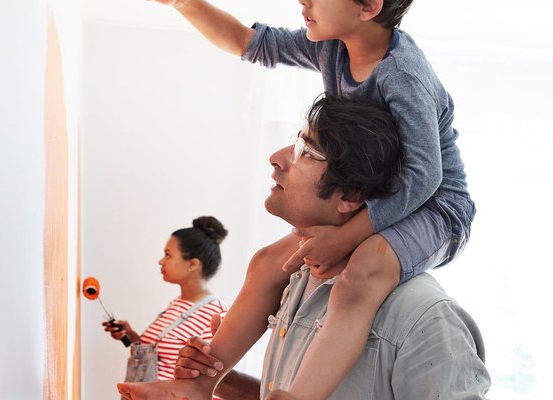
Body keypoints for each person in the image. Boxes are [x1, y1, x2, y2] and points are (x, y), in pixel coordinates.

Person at [141, 0, 476, 397]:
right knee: (268, 263)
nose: (303, 1)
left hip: (435, 206)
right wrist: (184, 3)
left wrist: (347, 236)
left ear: (368, 6)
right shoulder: (330, 47)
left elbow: (425, 177)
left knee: (362, 273)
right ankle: (199, 384)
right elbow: (245, 41)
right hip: (380, 199)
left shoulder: (404, 76)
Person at [102, 216, 231, 383]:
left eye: (168, 255)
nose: (161, 261)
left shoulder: (217, 314)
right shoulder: (176, 306)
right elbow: (164, 363)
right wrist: (134, 339)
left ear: (193, 264)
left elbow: (216, 381)